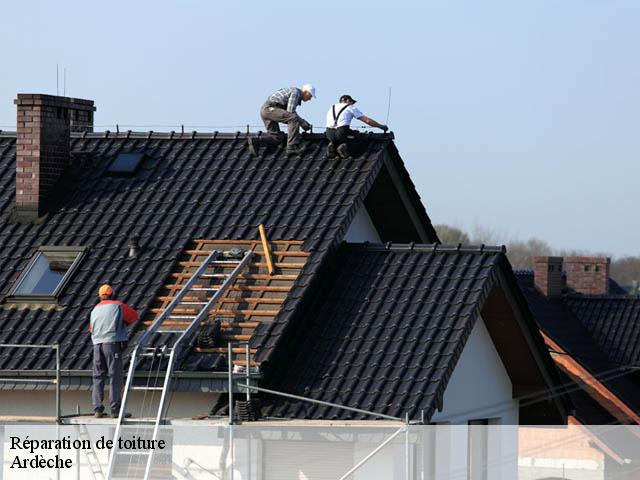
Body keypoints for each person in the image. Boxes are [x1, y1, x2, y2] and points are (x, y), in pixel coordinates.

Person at [89, 284, 138, 418]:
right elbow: (133, 316)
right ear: (112, 294)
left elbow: (91, 329)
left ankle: (97, 409)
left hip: (97, 344)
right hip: (111, 344)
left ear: (99, 296)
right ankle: (115, 410)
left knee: (98, 376)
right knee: (115, 376)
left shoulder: (94, 310)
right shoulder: (117, 305)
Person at [248, 84, 316, 157]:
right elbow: (291, 113)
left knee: (276, 138)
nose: (310, 99)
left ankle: (255, 141)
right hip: (271, 109)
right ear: (306, 92)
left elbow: (288, 113)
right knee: (293, 119)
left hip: (265, 110)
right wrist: (302, 122)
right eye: (310, 96)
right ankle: (291, 146)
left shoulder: (292, 91)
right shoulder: (296, 93)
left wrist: (302, 122)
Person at [325, 94, 388, 159]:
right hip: (342, 132)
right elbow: (367, 121)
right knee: (362, 140)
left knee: (343, 138)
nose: (353, 104)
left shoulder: (332, 107)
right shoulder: (350, 107)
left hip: (329, 133)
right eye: (352, 102)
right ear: (348, 101)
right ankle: (345, 147)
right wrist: (381, 126)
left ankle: (333, 146)